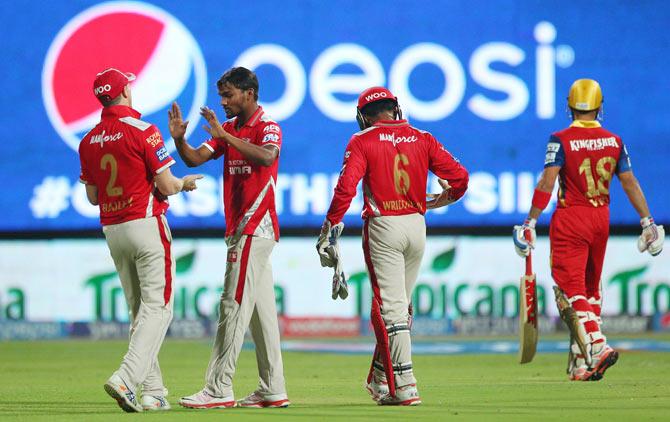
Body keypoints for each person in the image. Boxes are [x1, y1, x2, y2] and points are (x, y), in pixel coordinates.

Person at [317, 86, 469, 405]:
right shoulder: (422, 137)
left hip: (384, 224)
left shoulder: (362, 140)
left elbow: (346, 188)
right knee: (402, 306)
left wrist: (330, 224)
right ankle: (380, 377)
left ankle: (405, 384)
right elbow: (460, 179)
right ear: (394, 109)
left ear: (364, 116)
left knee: (390, 309)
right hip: (416, 224)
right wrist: (442, 200)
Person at [513, 78, 664, 381]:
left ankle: (597, 345)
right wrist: (647, 221)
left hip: (572, 217)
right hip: (601, 218)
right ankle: (582, 360)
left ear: (569, 106)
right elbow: (630, 182)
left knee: (571, 287)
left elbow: (547, 181)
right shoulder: (614, 140)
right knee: (591, 288)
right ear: (599, 106)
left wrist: (530, 221)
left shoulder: (560, 139)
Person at [79, 68, 202, 412]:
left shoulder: (87, 140)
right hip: (145, 223)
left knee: (140, 311)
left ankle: (154, 392)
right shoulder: (144, 131)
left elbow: (92, 196)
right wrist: (184, 183)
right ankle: (126, 378)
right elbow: (166, 186)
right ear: (125, 91)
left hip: (113, 229)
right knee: (158, 308)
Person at [168, 67, 289, 409]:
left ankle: (218, 388)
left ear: (249, 93)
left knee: (232, 305)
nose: (222, 102)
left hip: (256, 225)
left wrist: (227, 135)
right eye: (221, 96)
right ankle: (272, 388)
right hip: (242, 229)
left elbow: (267, 156)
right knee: (260, 313)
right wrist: (179, 139)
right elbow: (194, 158)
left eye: (229, 95)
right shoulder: (231, 129)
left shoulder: (267, 127)